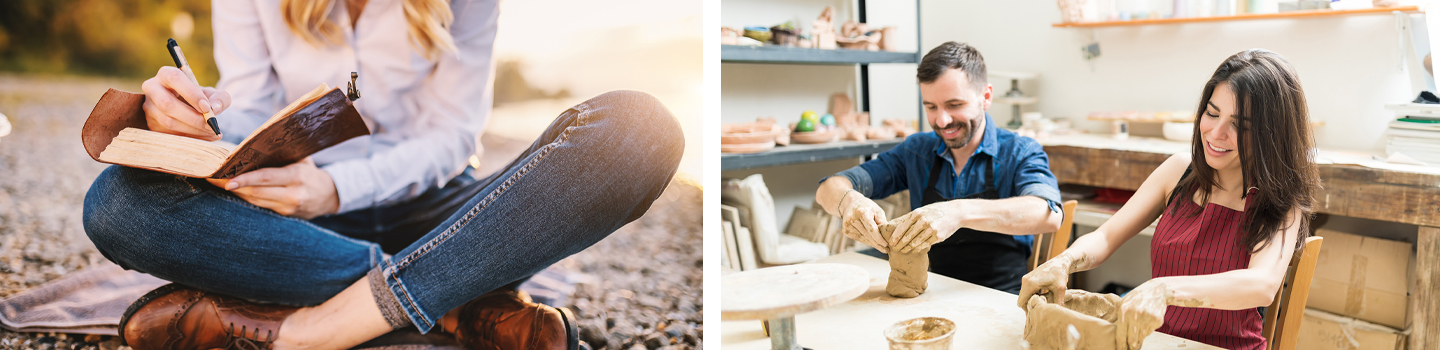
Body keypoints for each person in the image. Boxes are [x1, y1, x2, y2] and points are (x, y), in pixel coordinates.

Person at [81, 0, 684, 349]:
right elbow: (253, 117)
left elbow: (450, 137)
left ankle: (312, 330)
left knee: (640, 129)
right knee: (116, 204)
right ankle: (454, 301)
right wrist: (182, 122)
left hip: (434, 208)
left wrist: (338, 189)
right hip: (288, 214)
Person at [1017, 49, 1319, 350]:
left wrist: (1165, 288)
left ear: (1271, 134)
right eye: (1212, 113)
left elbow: (1262, 285)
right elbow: (1107, 236)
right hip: (1156, 342)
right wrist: (1064, 261)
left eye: (1240, 125)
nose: (1216, 132)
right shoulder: (1178, 171)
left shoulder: (1280, 199)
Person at [815, 41, 1064, 294]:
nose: (942, 120)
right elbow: (829, 187)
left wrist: (959, 212)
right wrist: (848, 202)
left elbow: (1048, 213)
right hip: (932, 293)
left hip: (1001, 297)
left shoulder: (1019, 151)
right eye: (931, 107)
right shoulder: (916, 151)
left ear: (986, 97)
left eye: (954, 105)